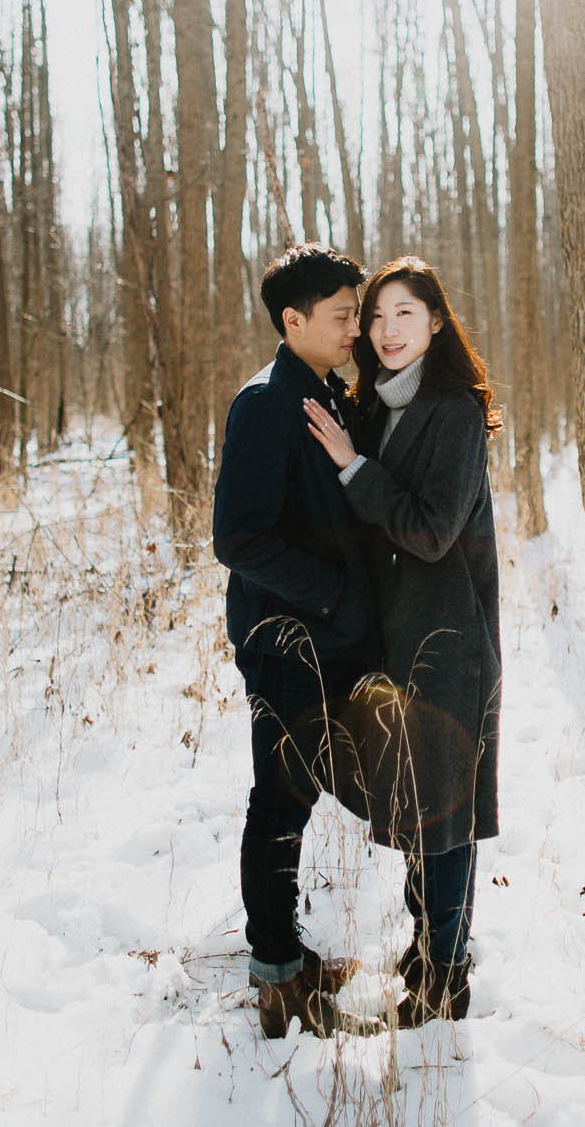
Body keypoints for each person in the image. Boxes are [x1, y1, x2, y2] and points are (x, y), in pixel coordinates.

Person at [301, 255, 501, 1028]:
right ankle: (429, 945)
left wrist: (354, 467)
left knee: (446, 820)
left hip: (450, 644)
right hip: (395, 645)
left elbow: (428, 530)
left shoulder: (452, 412)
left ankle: (446, 977)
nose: (386, 331)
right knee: (421, 813)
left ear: (438, 322)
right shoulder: (376, 406)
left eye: (405, 314)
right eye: (377, 316)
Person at [212, 243, 380, 1039]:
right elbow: (238, 538)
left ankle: (291, 954)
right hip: (284, 642)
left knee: (301, 798)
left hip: (326, 641)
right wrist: (334, 595)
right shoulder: (264, 402)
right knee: (277, 804)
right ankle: (278, 977)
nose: (357, 328)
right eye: (343, 315)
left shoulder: (325, 392)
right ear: (294, 319)